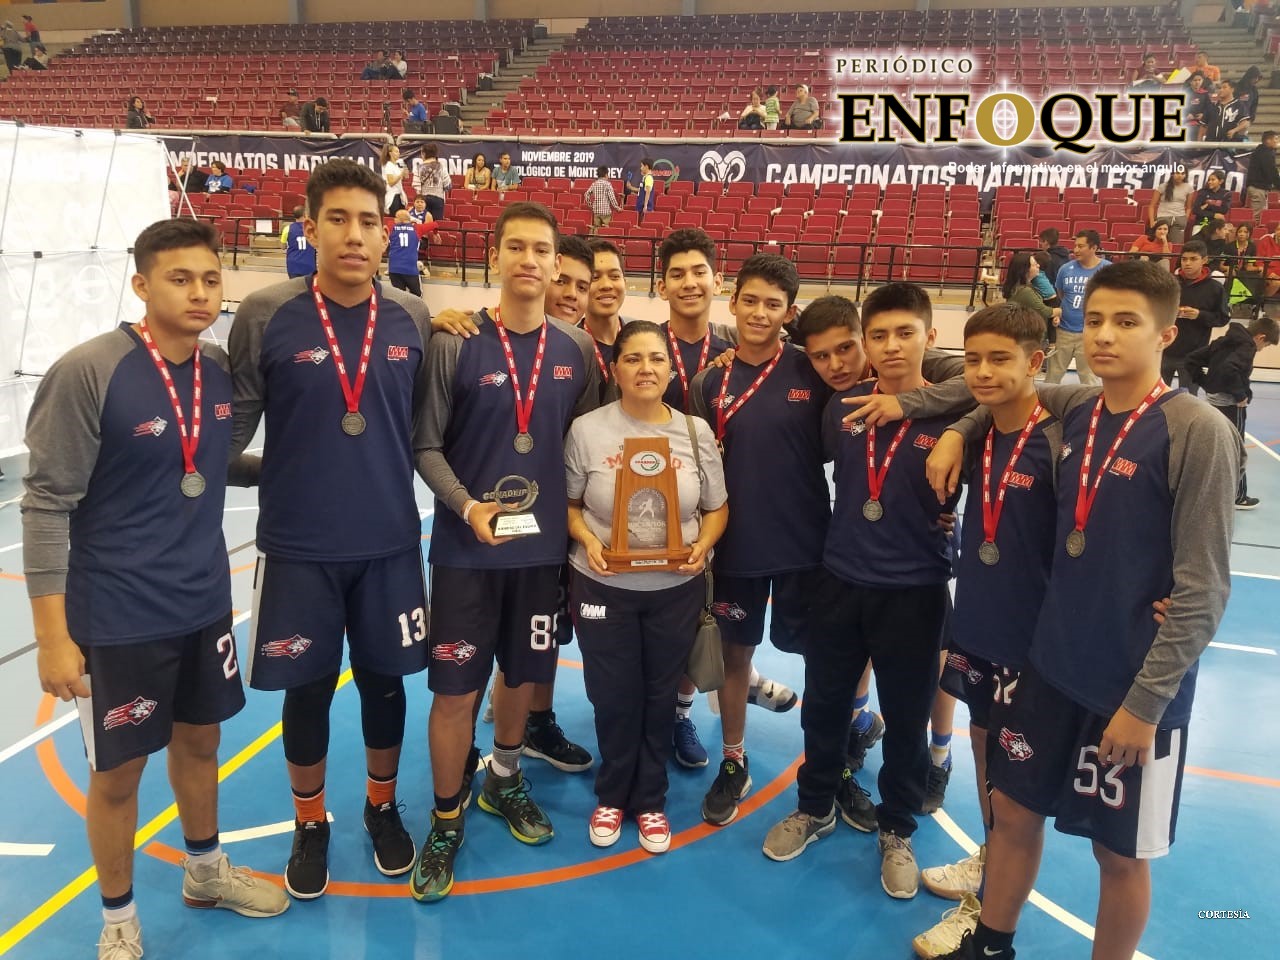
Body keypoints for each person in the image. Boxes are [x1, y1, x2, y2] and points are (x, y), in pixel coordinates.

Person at [926, 260, 1241, 960]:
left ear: (1166, 331)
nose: (1103, 335)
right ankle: (993, 944)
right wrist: (955, 431)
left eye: (1126, 322)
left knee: (1117, 855)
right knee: (1012, 812)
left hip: (1129, 691)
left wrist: (1146, 703)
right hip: (1049, 668)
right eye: (1094, 319)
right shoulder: (1075, 410)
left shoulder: (1196, 430)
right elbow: (1004, 392)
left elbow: (1205, 588)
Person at [23, 219, 290, 960]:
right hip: (117, 617)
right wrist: (52, 635)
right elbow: (46, 503)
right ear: (141, 285)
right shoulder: (90, 371)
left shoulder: (213, 368)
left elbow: (201, 462)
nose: (201, 292)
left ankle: (205, 870)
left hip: (204, 604)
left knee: (201, 744)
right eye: (181, 278)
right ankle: (117, 918)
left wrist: (293, 466)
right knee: (119, 774)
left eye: (211, 278)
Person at [228, 159, 434, 900]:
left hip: (387, 544)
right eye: (338, 220)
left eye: (369, 222)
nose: (354, 236)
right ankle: (309, 822)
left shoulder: (413, 318)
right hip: (298, 549)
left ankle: (381, 807)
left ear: (388, 235)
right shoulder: (265, 314)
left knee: (385, 686)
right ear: (308, 229)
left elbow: (420, 432)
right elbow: (229, 430)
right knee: (307, 690)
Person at [409, 202, 601, 903]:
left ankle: (505, 779)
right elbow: (424, 444)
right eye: (515, 247)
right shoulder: (456, 342)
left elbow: (587, 450)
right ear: (495, 257)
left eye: (541, 249)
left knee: (520, 679)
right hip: (466, 550)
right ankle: (445, 813)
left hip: (541, 556)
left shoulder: (577, 351)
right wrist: (468, 507)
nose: (529, 259)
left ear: (556, 264)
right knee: (454, 691)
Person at [762, 283, 962, 900]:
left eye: (907, 333)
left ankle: (897, 829)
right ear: (866, 342)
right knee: (823, 708)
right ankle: (815, 804)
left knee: (905, 718)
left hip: (916, 588)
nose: (893, 346)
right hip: (841, 579)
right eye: (880, 335)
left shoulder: (956, 413)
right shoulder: (841, 405)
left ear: (931, 335)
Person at [908, 304, 1056, 957]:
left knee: (1017, 792)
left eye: (1001, 358)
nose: (984, 372)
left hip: (1037, 647)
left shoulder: (1062, 440)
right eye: (974, 359)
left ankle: (989, 914)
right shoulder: (981, 434)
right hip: (979, 627)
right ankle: (989, 856)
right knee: (983, 755)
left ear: (1037, 363)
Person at [688, 255, 849, 828]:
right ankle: (734, 760)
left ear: (788, 313)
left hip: (808, 544)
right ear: (732, 301)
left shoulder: (813, 370)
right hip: (737, 548)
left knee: (826, 660)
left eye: (773, 304)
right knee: (737, 657)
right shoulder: (710, 380)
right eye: (751, 300)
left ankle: (836, 764)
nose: (760, 313)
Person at [566, 319, 729, 853]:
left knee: (660, 693)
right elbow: (570, 507)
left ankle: (652, 801)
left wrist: (703, 545)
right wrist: (587, 540)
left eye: (656, 359)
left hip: (673, 587)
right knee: (613, 695)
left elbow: (716, 507)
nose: (645, 368)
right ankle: (613, 795)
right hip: (601, 583)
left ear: (669, 369)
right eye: (633, 358)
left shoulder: (693, 431)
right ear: (615, 370)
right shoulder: (587, 430)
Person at [1186, 313, 1280, 509]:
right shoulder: (1246, 346)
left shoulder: (1225, 340)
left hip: (1212, 402)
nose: (1263, 349)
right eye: (1266, 345)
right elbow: (1230, 368)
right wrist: (1240, 395)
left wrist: (1207, 384)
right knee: (1236, 449)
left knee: (1212, 446)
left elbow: (1192, 360)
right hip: (1230, 405)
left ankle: (1200, 490)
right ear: (1260, 337)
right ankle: (1238, 496)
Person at [1047, 230, 1109, 385]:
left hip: (1091, 334)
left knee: (1089, 380)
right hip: (1064, 331)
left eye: (1081, 246)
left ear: (1094, 248)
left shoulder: (1108, 270)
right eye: (1075, 246)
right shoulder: (1065, 269)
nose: (1075, 250)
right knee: (1052, 377)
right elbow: (1061, 294)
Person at [1167, 241, 1231, 390]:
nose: (1187, 263)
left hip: (1193, 355)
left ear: (1204, 260)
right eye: (1184, 259)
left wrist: (1200, 315)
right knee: (1155, 398)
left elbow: (1222, 318)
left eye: (1193, 259)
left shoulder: (1215, 288)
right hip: (1164, 350)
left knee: (1189, 400)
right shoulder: (1169, 283)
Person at [1001, 253, 1056, 331]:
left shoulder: (1024, 286)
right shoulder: (1024, 291)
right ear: (1025, 269)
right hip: (1027, 334)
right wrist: (1061, 311)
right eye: (1034, 264)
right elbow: (1046, 312)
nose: (1038, 266)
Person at [1147, 166, 1192, 243]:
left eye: (1183, 173)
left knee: (1176, 247)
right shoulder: (1162, 186)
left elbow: (1189, 207)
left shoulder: (1188, 188)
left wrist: (1185, 218)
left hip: (1179, 219)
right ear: (1172, 174)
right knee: (1160, 245)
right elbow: (1151, 206)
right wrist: (1152, 221)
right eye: (1177, 173)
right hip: (1163, 218)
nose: (1180, 176)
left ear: (1186, 175)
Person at [1244, 131, 1280, 222]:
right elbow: (1271, 172)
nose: (1277, 141)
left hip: (1258, 187)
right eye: (1275, 139)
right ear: (1268, 140)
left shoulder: (1262, 151)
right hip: (1258, 188)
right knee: (1257, 217)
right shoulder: (1265, 153)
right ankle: (1254, 235)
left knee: (1261, 216)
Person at [388, 209, 423, 297]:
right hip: (410, 269)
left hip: (394, 268)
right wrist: (435, 232)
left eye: (396, 217)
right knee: (417, 296)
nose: (394, 219)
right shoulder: (417, 228)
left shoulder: (391, 228)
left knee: (399, 298)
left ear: (401, 219)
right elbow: (434, 224)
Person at [413, 143, 450, 222]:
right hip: (438, 199)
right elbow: (448, 185)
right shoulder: (441, 167)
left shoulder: (418, 168)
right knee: (436, 226)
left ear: (424, 153)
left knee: (424, 224)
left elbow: (416, 186)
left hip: (424, 199)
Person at [280, 206, 316, 279]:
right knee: (308, 288)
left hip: (293, 265)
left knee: (295, 288)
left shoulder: (287, 228)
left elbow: (283, 246)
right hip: (308, 264)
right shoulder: (312, 229)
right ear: (304, 215)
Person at [584, 166, 623, 230]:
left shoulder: (594, 184)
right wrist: (617, 207)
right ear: (606, 174)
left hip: (596, 211)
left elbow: (586, 194)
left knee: (596, 231)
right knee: (605, 231)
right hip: (606, 213)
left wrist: (590, 205)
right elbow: (612, 198)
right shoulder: (608, 184)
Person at [1184, 74, 1216, 143]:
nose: (1197, 82)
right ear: (1190, 81)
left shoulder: (1205, 94)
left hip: (1201, 121)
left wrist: (1203, 115)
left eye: (1199, 80)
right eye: (1195, 80)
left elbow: (1209, 107)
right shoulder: (1185, 93)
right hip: (1187, 121)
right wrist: (1186, 115)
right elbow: (1180, 106)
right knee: (1193, 130)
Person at [380, 142, 408, 216]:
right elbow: (391, 182)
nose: (398, 153)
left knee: (402, 217)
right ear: (390, 153)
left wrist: (404, 171)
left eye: (399, 151)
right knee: (394, 219)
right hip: (392, 196)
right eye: (396, 151)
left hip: (399, 194)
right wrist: (401, 174)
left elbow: (406, 177)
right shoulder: (388, 165)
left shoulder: (397, 164)